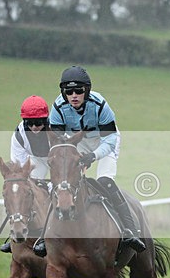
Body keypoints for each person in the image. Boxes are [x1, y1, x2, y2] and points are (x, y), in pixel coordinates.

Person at [43, 65, 146, 254]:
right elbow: (58, 143)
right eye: (69, 92)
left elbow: (110, 139)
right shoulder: (58, 107)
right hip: (76, 142)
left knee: (105, 181)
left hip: (104, 141)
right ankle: (45, 235)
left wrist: (93, 156)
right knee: (62, 182)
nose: (74, 95)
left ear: (87, 90)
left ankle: (130, 230)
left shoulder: (99, 105)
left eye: (78, 90)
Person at [0, 95, 52, 254]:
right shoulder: (19, 134)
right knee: (27, 190)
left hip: (56, 158)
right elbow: (19, 170)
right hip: (36, 160)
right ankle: (19, 233)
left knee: (58, 190)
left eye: (39, 122)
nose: (34, 127)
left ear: (46, 120)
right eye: (30, 123)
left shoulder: (56, 128)